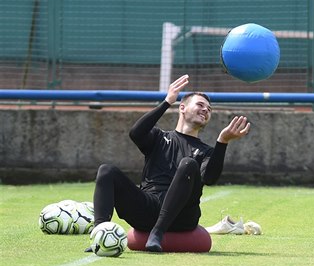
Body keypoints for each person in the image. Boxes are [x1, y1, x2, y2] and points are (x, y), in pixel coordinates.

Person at [87, 74, 250, 252]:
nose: (206, 110)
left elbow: (209, 178)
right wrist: (166, 102)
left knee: (188, 164)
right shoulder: (159, 137)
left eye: (209, 109)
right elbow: (136, 133)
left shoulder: (206, 151)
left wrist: (222, 142)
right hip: (147, 209)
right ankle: (99, 234)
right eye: (200, 105)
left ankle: (157, 233)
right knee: (106, 171)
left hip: (182, 217)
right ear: (182, 107)